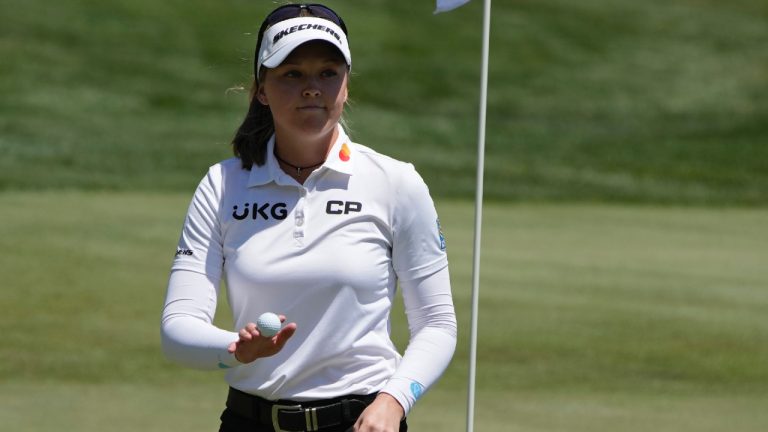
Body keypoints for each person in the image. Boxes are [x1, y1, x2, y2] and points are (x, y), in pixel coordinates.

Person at [161, 4, 457, 432]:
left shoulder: (395, 182)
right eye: (292, 73)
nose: (312, 88)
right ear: (262, 88)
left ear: (346, 84)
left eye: (327, 72)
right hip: (250, 421)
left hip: (362, 422)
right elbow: (178, 329)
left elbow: (437, 323)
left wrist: (395, 400)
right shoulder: (222, 185)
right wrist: (236, 349)